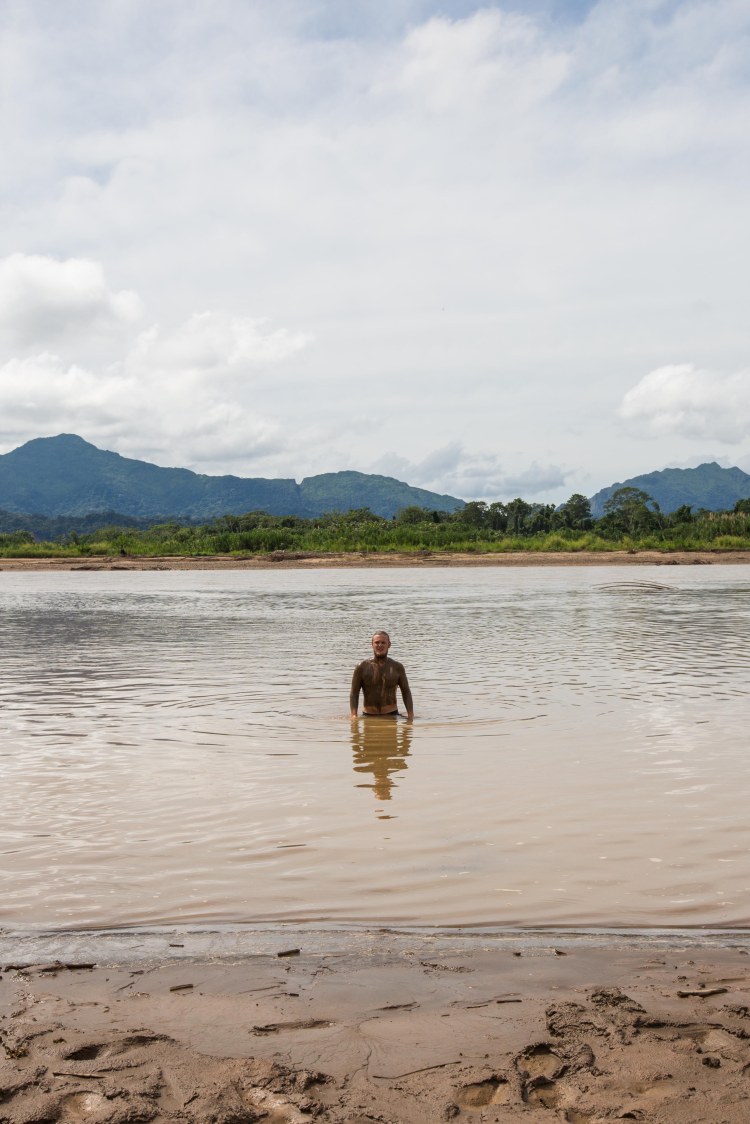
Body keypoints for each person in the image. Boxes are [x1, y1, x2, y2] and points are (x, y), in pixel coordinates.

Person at [350, 630, 414, 720]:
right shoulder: (361, 667)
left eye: (383, 642)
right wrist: (354, 715)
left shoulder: (397, 667)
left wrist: (410, 715)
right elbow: (354, 693)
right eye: (377, 642)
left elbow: (406, 691)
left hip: (392, 715)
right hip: (368, 716)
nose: (380, 645)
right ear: (372, 644)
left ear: (389, 645)